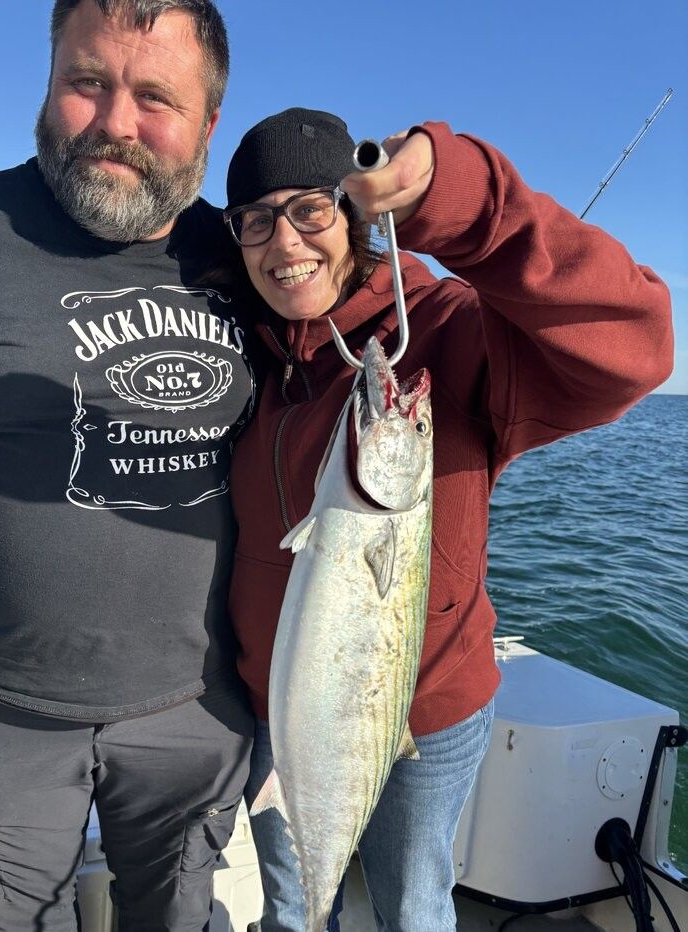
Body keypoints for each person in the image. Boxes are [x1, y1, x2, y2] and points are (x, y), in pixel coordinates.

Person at [222, 108, 673, 931]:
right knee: (292, 906)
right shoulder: (239, 350)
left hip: (429, 713)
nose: (285, 242)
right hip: (280, 703)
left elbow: (635, 347)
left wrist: (459, 198)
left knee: (415, 906)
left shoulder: (450, 329)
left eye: (313, 209)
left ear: (358, 214)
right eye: (257, 219)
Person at [0, 1, 257, 929]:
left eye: (155, 97)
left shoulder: (252, 261)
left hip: (198, 716)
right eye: (87, 83)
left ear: (210, 124)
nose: (115, 124)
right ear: (48, 87)